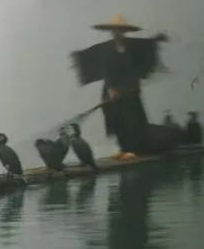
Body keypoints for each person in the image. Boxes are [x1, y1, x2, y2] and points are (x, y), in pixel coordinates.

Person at [71, 14, 167, 157]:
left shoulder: (131, 46)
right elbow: (105, 70)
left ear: (124, 32)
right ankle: (124, 149)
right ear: (112, 32)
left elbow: (143, 52)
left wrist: (156, 40)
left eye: (120, 30)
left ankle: (132, 150)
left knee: (134, 121)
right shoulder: (106, 49)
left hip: (130, 91)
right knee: (118, 121)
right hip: (112, 93)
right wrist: (111, 89)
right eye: (115, 30)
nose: (117, 33)